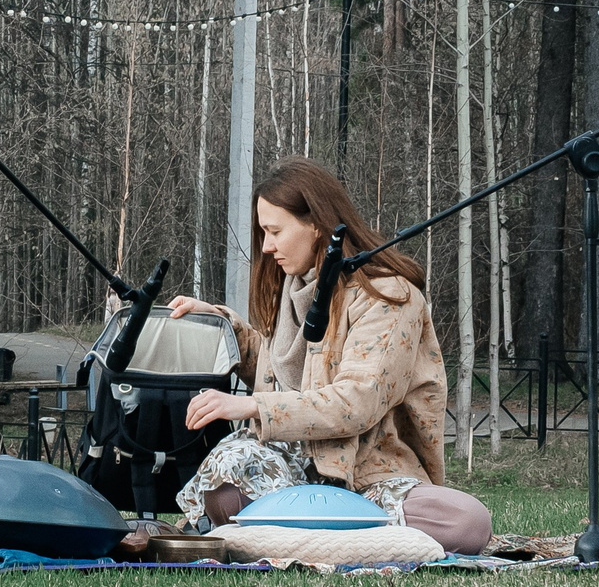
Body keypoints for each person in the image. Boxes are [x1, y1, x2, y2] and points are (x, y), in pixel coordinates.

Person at [163, 159, 492, 555]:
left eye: (274, 231)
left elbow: (358, 401)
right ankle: (343, 539)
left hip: (367, 477)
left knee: (466, 522)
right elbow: (284, 373)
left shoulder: (389, 296)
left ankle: (294, 534)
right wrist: (222, 325)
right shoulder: (289, 288)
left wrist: (250, 406)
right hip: (287, 471)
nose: (267, 246)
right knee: (226, 482)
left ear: (317, 224)